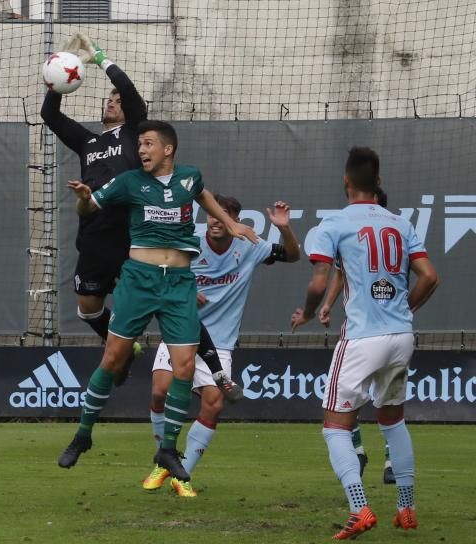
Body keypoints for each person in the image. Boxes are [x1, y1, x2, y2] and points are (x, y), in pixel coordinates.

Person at [58, 120, 258, 484]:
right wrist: (85, 199)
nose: (142, 150)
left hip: (180, 282)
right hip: (139, 279)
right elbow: (88, 211)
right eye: (140, 144)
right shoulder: (129, 181)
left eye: (148, 144)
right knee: (114, 358)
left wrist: (231, 224)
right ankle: (83, 433)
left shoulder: (189, 178)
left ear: (168, 149)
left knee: (184, 367)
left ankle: (167, 448)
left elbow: (204, 196)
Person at [40, 35, 241, 396]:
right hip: (95, 238)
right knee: (88, 308)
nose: (113, 101)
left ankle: (216, 371)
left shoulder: (136, 136)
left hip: (135, 238)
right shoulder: (88, 142)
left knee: (176, 304)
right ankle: (123, 344)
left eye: (117, 101)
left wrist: (99, 59)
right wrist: (59, 77)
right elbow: (49, 115)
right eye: (109, 99)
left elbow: (130, 91)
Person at [291, 147, 439, 540]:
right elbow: (429, 276)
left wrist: (307, 312)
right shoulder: (400, 224)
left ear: (346, 182)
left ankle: (359, 508)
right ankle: (406, 507)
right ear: (380, 182)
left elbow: (319, 282)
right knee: (393, 421)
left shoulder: (333, 223)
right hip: (401, 337)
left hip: (360, 339)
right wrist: (402, 310)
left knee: (335, 428)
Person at [142, 196, 300, 497]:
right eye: (212, 216)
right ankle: (164, 457)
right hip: (180, 331)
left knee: (214, 403)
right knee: (159, 391)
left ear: (234, 220)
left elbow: (293, 256)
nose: (216, 221)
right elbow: (158, 272)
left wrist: (285, 229)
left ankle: (182, 473)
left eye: (224, 216)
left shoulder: (249, 245)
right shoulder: (191, 241)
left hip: (221, 341)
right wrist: (184, 285)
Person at [318, 188, 396, 485]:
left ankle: (382, 465)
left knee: (355, 401)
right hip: (391, 333)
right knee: (377, 401)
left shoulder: (388, 234)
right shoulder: (391, 234)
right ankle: (369, 457)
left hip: (364, 335)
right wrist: (328, 304)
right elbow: (340, 272)